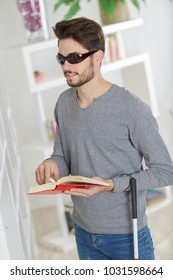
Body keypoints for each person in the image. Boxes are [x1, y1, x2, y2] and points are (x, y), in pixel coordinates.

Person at [35, 17, 173, 260]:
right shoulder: (64, 103)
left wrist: (110, 184)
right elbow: (64, 156)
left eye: (75, 58)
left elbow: (165, 171)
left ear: (97, 56)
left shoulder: (130, 108)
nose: (66, 66)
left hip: (127, 236)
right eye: (61, 58)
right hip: (83, 232)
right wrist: (53, 163)